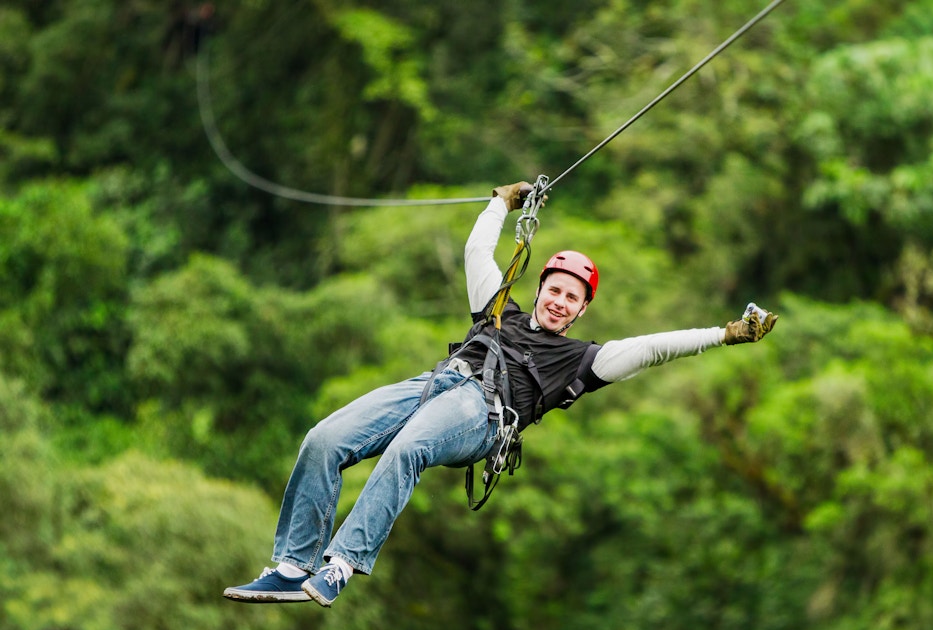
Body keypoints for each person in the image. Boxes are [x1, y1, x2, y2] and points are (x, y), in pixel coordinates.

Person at [223, 181, 778, 607]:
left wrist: (725, 334)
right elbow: (476, 252)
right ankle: (293, 567)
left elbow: (656, 347)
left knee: (407, 449)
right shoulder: (497, 310)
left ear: (583, 310)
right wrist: (500, 202)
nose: (560, 302)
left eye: (572, 298)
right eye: (555, 291)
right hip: (434, 384)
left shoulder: (583, 360)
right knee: (325, 439)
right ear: (540, 291)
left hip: (484, 413)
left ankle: (341, 564)